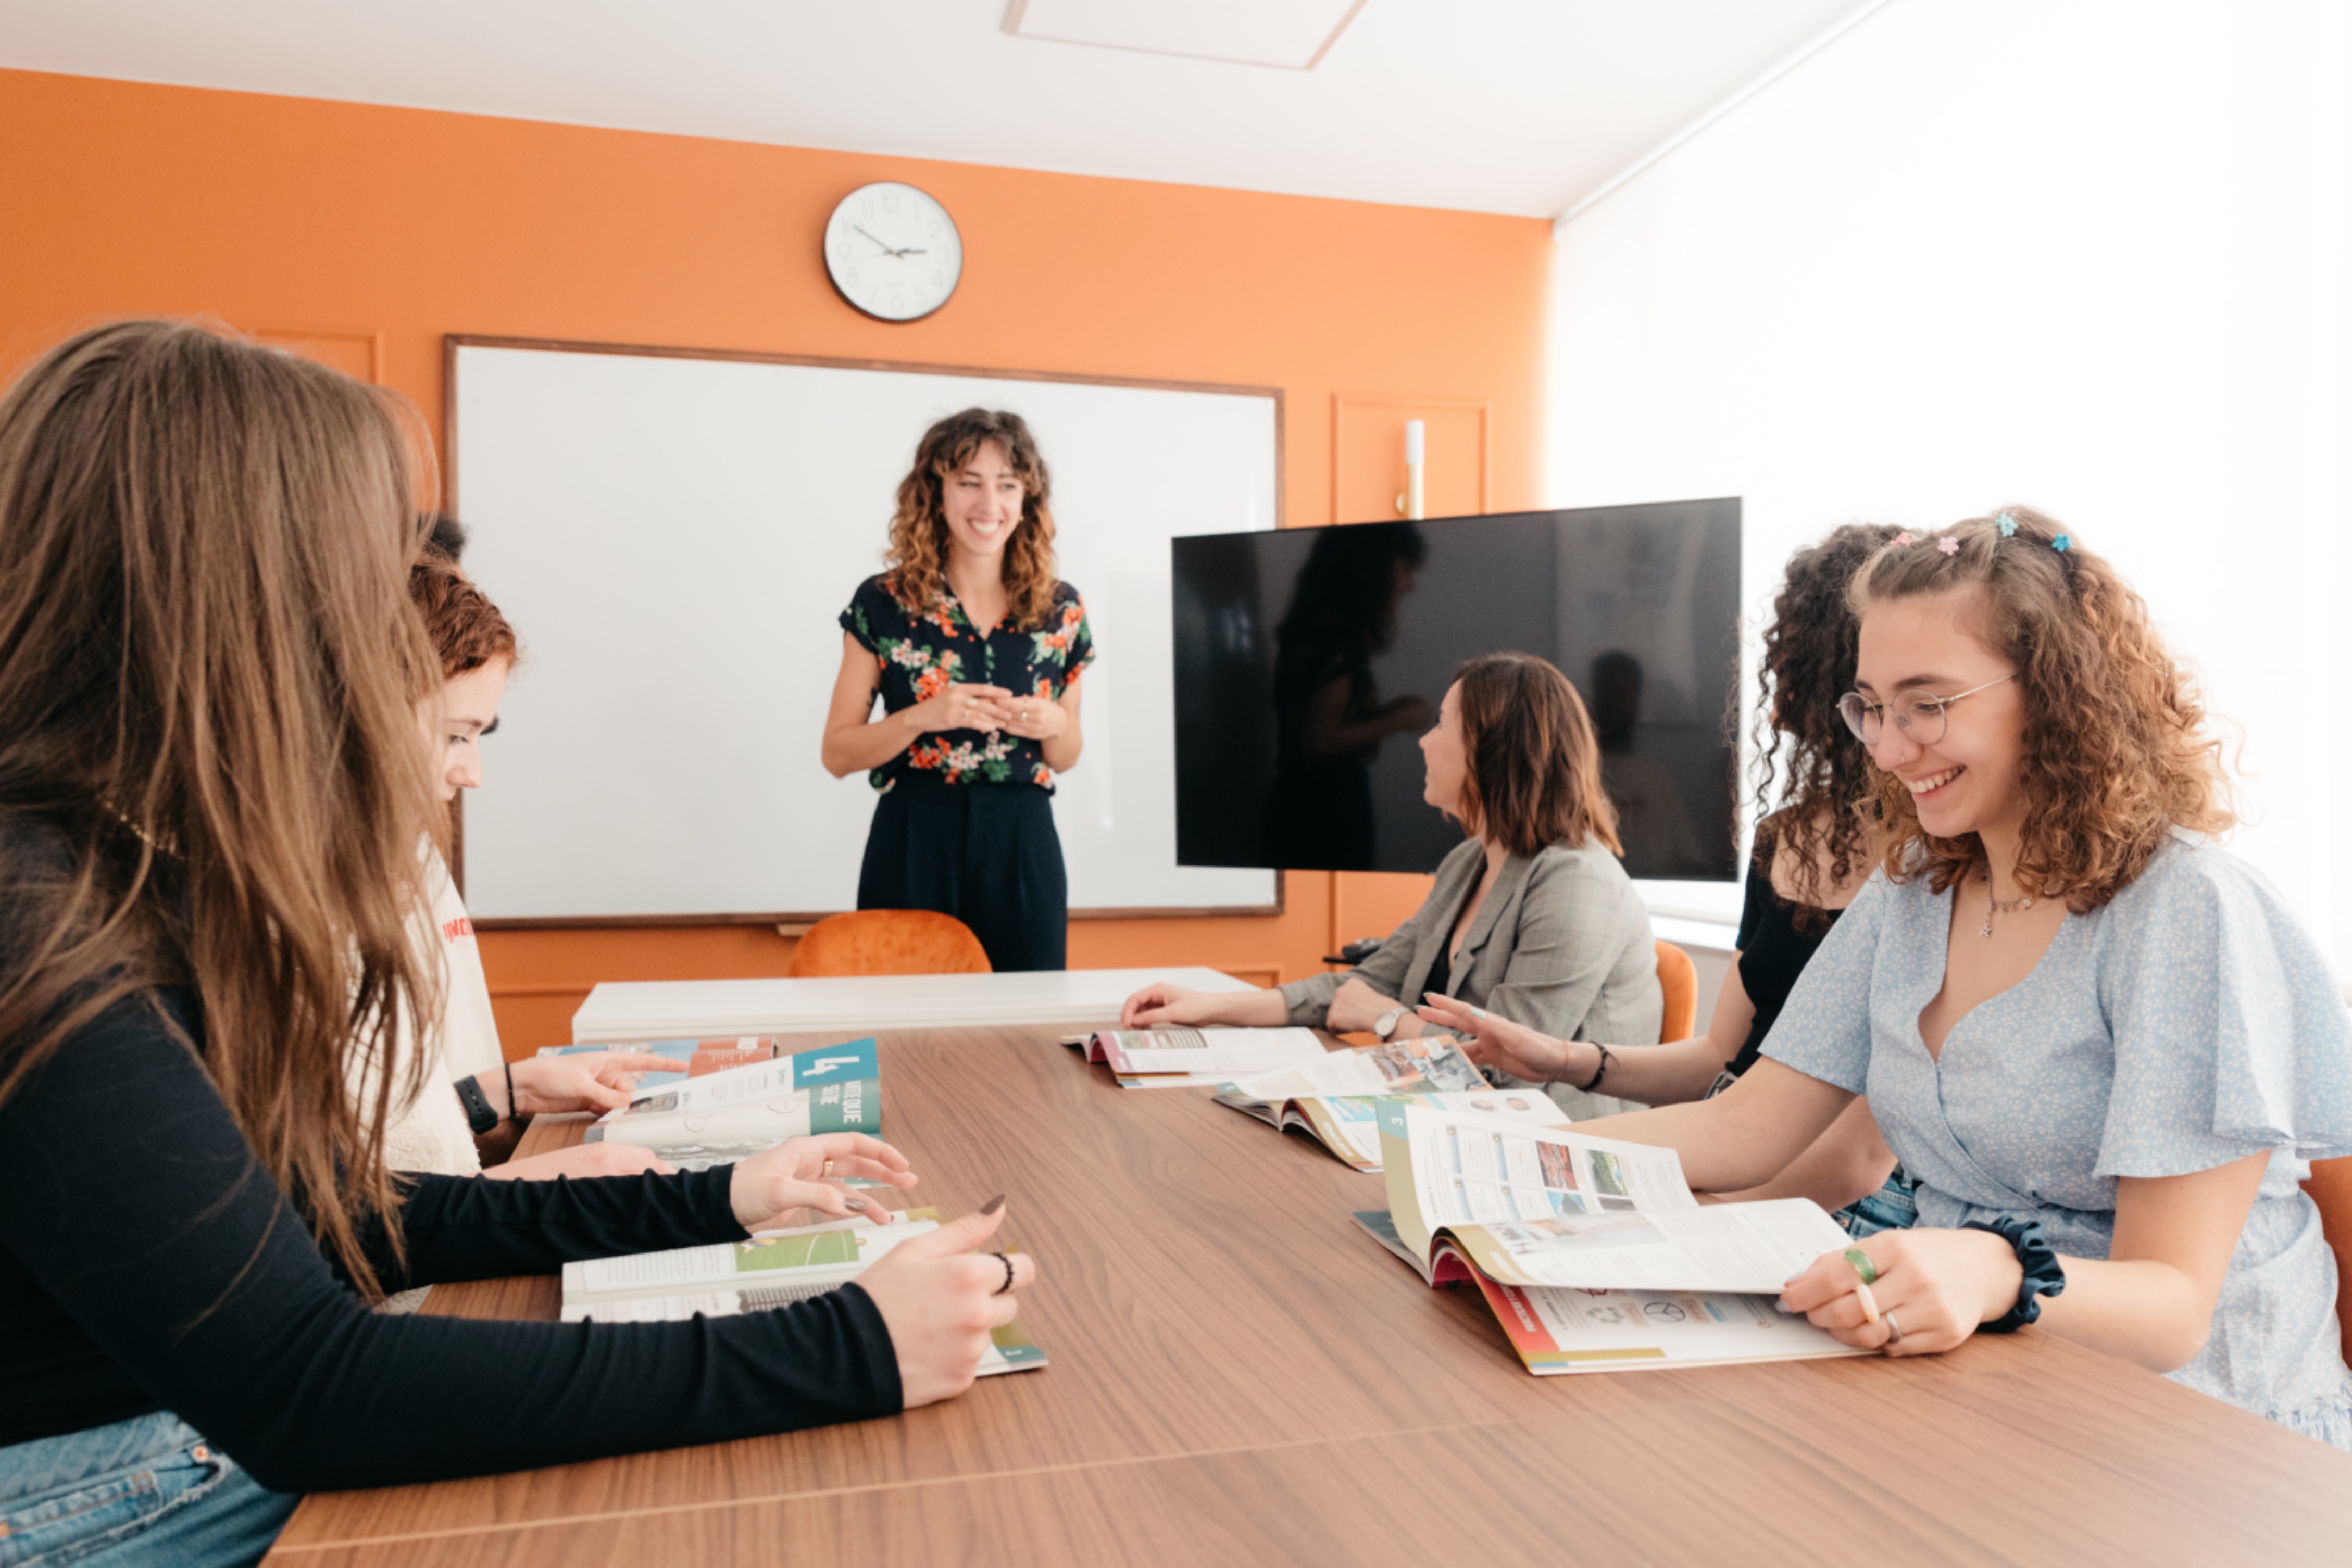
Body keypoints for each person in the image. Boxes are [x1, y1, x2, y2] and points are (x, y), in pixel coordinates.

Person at [0, 321, 1039, 1565]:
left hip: (185, 1421)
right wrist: (847, 1345)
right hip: (106, 1471)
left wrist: (714, 1199)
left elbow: (315, 1223)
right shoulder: (35, 912)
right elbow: (302, 1384)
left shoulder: (123, 867)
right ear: (238, 597)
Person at [1562, 510, 2352, 1446]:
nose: (1890, 750)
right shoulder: (1912, 889)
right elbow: (1748, 1123)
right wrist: (1536, 1168)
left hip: (2194, 1426)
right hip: (1982, 1381)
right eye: (1873, 707)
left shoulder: (2185, 912)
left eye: (1927, 704)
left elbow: (2173, 1305)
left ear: (2056, 696)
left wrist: (1996, 1271)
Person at [1423, 525, 1909, 1221]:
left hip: (1812, 1201)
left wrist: (1676, 1211)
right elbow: (1721, 1056)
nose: (1773, 682)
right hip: (1722, 1150)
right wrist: (1561, 1057)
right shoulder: (1787, 840)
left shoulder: (1928, 870)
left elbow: (1852, 1164)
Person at [1124, 651, 1662, 1101]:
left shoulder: (1577, 882)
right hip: (1454, 1116)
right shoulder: (1467, 862)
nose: (1424, 741)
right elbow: (1366, 984)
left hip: (1551, 1150)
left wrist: (1386, 1021)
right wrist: (1212, 1005)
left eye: (1442, 724)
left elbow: (1504, 1067)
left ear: (1492, 749)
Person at [373, 550, 680, 1203]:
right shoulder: (305, 901)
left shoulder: (409, 854)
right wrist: (532, 1189)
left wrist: (511, 1088)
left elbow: (402, 1129)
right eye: (457, 735)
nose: (472, 772)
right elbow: (344, 1205)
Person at [822, 409, 1092, 972]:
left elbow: (1065, 758)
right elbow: (837, 752)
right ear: (935, 493)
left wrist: (1056, 726)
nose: (988, 504)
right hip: (915, 833)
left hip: (1023, 837)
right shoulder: (883, 603)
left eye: (1007, 485)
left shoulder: (1060, 608)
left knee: (1028, 1034)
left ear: (1027, 500)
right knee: (904, 1029)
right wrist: (924, 716)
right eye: (968, 482)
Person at [1259, 522, 1432, 870]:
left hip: (1299, 805)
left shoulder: (1318, 627)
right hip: (1324, 812)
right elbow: (1319, 740)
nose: (1410, 584)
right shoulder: (1339, 638)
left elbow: (1324, 721)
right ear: (1374, 567)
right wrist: (1398, 721)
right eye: (1405, 568)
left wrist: (1389, 712)